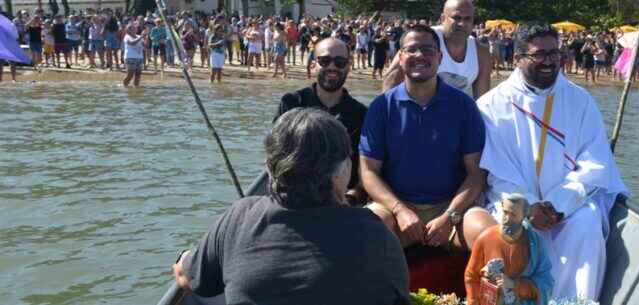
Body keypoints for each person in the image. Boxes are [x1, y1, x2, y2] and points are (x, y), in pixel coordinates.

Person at [171, 108, 410, 305]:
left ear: (269, 168)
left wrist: (186, 257)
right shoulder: (374, 232)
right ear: (343, 170)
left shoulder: (241, 215)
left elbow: (187, 278)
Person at [476, 24, 629, 301]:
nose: (549, 61)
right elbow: (499, 173)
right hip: (514, 203)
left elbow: (595, 165)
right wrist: (530, 207)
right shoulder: (490, 106)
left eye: (554, 53)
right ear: (517, 57)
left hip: (570, 204)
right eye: (539, 54)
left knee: (586, 225)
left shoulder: (580, 101)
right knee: (512, 231)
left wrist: (557, 207)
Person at [360, 25, 496, 251]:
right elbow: (368, 172)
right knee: (366, 227)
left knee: (489, 234)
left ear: (440, 57)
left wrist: (450, 216)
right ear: (399, 57)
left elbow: (476, 174)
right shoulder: (381, 107)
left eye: (427, 49)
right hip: (395, 207)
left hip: (453, 208)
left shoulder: (464, 107)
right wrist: (400, 210)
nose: (420, 55)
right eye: (411, 50)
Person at [274, 38, 367, 203]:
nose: (332, 67)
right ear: (313, 64)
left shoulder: (362, 114)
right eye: (324, 61)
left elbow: (365, 169)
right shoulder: (292, 103)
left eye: (340, 62)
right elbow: (275, 155)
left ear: (348, 67)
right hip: (295, 198)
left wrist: (351, 198)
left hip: (342, 202)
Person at [382, 0, 492, 99]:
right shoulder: (423, 39)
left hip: (453, 114)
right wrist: (385, 115)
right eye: (456, 18)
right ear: (443, 19)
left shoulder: (480, 52)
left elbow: (482, 100)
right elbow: (391, 77)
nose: (462, 24)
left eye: (467, 19)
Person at [464, 193, 553, 305]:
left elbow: (546, 281)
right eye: (505, 212)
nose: (507, 219)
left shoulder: (535, 243)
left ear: (524, 215)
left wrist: (514, 285)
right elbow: (471, 276)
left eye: (513, 215)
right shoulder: (485, 238)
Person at [122, 22, 146, 87]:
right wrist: (141, 37)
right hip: (130, 58)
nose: (135, 29)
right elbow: (132, 43)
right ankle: (124, 86)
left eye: (135, 28)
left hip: (139, 58)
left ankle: (136, 87)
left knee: (138, 74)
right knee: (130, 74)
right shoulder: (127, 37)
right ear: (128, 30)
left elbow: (145, 46)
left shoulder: (138, 36)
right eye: (133, 28)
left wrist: (146, 36)